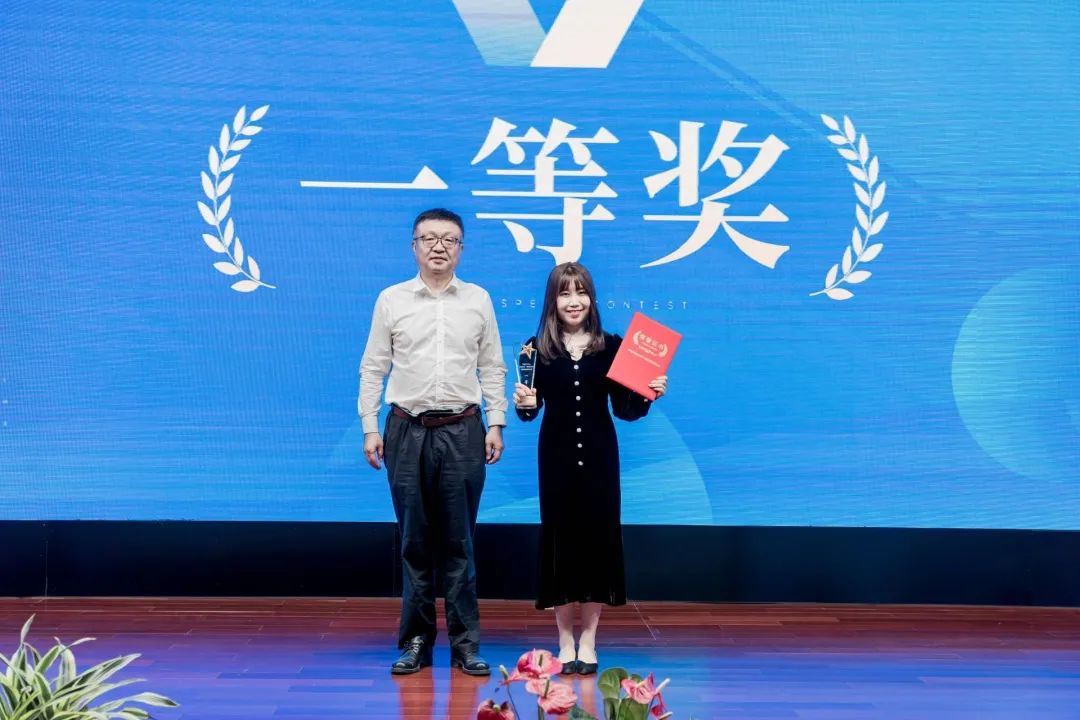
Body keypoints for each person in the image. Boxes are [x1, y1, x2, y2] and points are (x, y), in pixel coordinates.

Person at [359, 208, 507, 676]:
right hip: (406, 429)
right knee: (414, 542)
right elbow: (373, 366)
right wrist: (370, 426)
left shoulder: (478, 299)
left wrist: (496, 423)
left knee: (460, 542)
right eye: (429, 238)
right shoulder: (392, 299)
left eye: (449, 239)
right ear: (414, 246)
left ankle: (466, 644)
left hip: (464, 429)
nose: (438, 246)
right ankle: (416, 642)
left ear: (461, 249)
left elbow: (493, 366)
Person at [512, 262, 668, 675]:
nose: (573, 301)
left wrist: (648, 393)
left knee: (598, 542)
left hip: (600, 457)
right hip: (556, 457)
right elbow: (528, 410)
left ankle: (589, 640)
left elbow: (626, 409)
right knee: (561, 542)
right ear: (552, 301)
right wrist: (523, 404)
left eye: (580, 292)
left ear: (591, 298)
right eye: (564, 293)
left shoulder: (613, 346)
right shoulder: (535, 349)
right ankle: (565, 640)